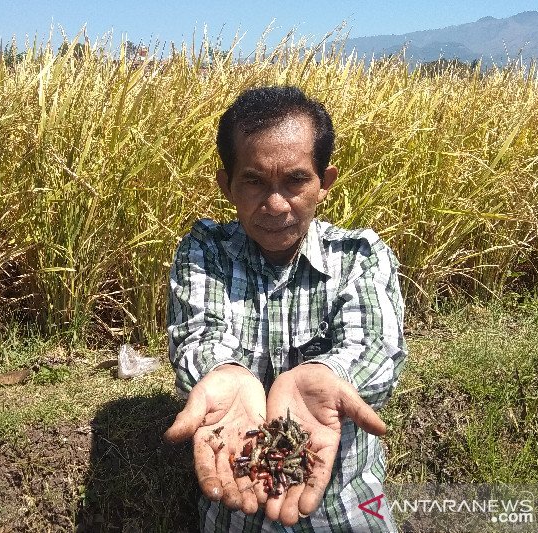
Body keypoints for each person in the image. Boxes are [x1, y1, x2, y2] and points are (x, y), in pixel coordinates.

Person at [164, 86, 406, 532]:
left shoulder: (359, 256)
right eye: (254, 181)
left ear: (324, 182)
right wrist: (224, 374)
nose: (275, 205)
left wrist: (326, 375)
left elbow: (376, 345)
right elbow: (198, 337)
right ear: (227, 184)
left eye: (295, 181)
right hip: (236, 512)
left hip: (347, 510)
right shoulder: (205, 253)